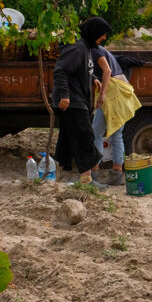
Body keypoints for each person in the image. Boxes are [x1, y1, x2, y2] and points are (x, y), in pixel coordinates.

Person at [52, 17, 112, 189]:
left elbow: (79, 69)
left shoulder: (85, 48)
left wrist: (92, 78)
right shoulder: (78, 48)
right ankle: (87, 181)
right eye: (102, 35)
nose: (104, 38)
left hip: (77, 99)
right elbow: (61, 71)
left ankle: (55, 174)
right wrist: (64, 95)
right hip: (73, 101)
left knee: (67, 139)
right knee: (85, 138)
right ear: (94, 32)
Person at [91, 41, 133, 186]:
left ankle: (93, 174)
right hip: (121, 89)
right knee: (117, 135)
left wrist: (102, 94)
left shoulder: (94, 51)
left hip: (112, 91)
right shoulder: (101, 50)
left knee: (95, 132)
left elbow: (107, 71)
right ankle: (117, 174)